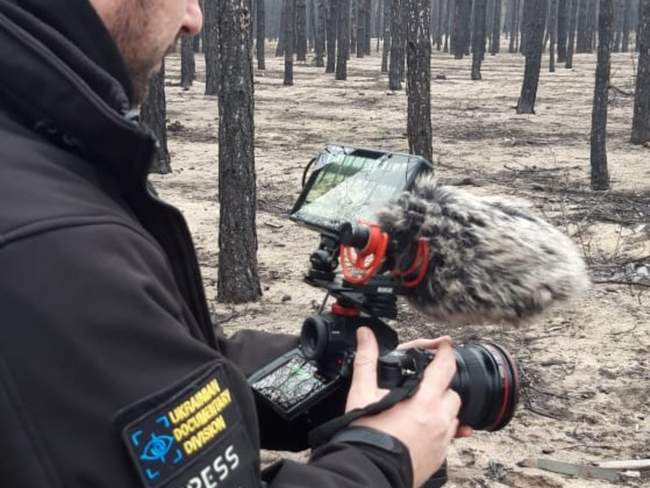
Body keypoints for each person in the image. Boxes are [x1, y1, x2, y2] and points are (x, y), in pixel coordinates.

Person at [0, 1, 470, 487]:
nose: (194, 20)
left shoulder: (38, 155)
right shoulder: (51, 240)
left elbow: (144, 373)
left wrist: (337, 379)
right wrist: (382, 462)